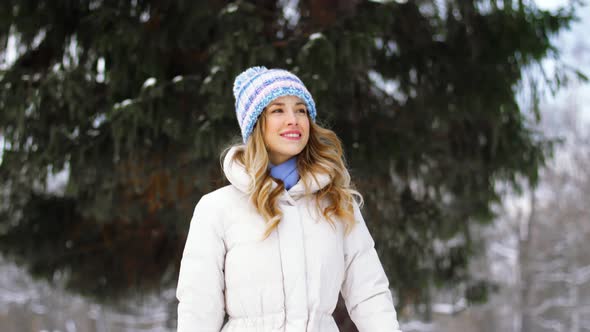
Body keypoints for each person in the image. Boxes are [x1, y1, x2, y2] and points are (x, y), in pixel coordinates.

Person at [176, 66, 402, 332]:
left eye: (301, 110)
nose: (293, 119)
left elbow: (369, 294)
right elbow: (199, 307)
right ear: (256, 123)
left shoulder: (337, 202)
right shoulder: (217, 208)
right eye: (278, 110)